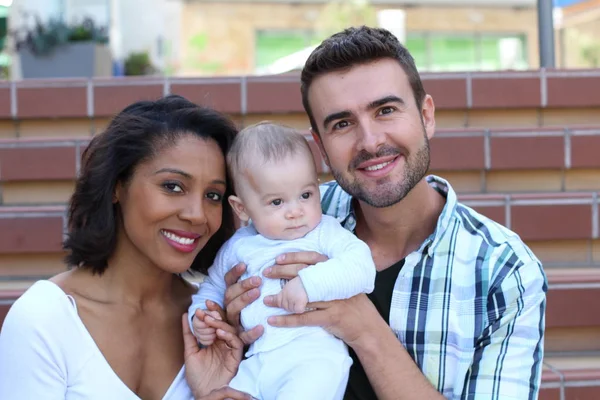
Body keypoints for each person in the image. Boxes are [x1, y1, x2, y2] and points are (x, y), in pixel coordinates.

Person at [223, 26, 547, 400]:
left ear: (426, 115)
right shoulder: (280, 218)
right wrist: (231, 324)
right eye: (342, 124)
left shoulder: (502, 271)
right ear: (321, 148)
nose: (371, 141)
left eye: (386, 110)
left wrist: (364, 330)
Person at [0, 95, 252, 400]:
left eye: (213, 195)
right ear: (118, 186)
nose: (197, 214)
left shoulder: (213, 324)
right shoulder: (45, 319)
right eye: (173, 186)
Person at [189, 122, 376, 400]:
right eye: (277, 202)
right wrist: (202, 318)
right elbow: (212, 288)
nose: (296, 211)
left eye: (306, 195)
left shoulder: (324, 231)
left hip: (312, 356)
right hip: (256, 361)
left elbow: (362, 268)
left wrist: (309, 284)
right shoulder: (238, 247)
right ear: (242, 208)